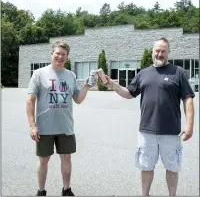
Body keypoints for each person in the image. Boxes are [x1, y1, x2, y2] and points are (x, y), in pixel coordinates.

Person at [104, 37, 195, 196]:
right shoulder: (143, 73)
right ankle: (144, 194)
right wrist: (112, 85)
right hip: (146, 131)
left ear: (168, 53)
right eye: (157, 51)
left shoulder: (178, 72)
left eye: (163, 51)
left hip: (171, 132)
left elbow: (188, 98)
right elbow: (129, 93)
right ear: (152, 52)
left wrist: (189, 126)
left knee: (172, 167)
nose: (160, 54)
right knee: (146, 167)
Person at [26, 40, 93, 196]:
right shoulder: (39, 73)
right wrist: (32, 125)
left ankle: (66, 189)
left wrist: (87, 87)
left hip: (65, 127)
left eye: (64, 54)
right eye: (58, 53)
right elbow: (30, 100)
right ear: (52, 54)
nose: (60, 57)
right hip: (44, 127)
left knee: (67, 159)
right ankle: (41, 191)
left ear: (67, 57)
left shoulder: (71, 75)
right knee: (43, 160)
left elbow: (78, 99)